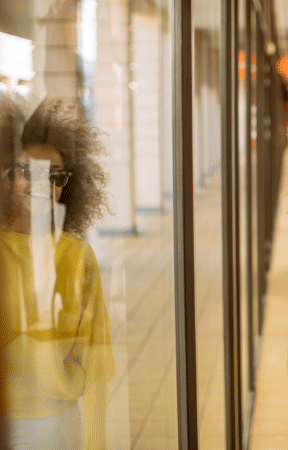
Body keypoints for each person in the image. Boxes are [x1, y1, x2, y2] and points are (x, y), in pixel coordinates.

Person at [0, 97, 114, 450]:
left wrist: (95, 441)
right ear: (6, 174)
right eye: (27, 171)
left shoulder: (77, 257)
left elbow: (97, 363)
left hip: (55, 424)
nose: (42, 184)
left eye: (55, 175)